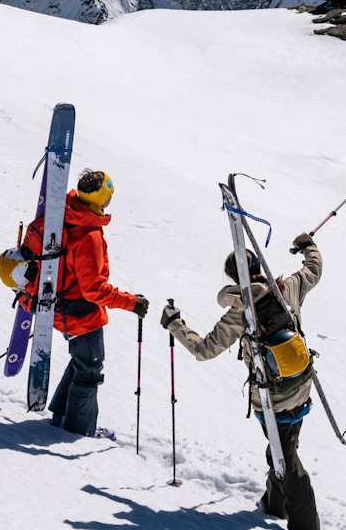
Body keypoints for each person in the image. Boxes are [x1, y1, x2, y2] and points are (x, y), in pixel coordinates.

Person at [160, 232, 322, 529]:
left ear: (232, 279)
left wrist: (175, 325)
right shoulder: (289, 288)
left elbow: (204, 349)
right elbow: (314, 269)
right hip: (301, 387)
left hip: (271, 400)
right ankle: (274, 507)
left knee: (286, 461)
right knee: (282, 449)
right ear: (259, 265)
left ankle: (305, 524)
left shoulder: (242, 313)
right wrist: (308, 246)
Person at [22, 169, 147, 437]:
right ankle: (79, 431)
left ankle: (61, 417)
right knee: (89, 369)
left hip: (60, 307)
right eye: (108, 197)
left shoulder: (64, 215)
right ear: (99, 201)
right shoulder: (89, 236)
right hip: (81, 314)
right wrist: (132, 303)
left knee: (81, 363)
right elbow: (93, 289)